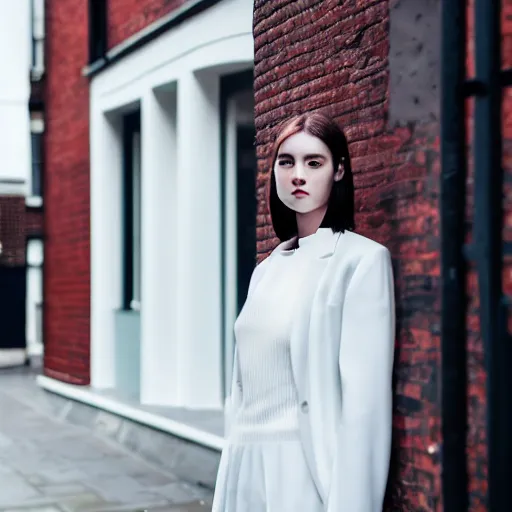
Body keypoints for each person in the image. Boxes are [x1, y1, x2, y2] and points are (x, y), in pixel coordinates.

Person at [212, 111, 395, 512]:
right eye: (286, 161)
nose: (298, 174)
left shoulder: (360, 262)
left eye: (314, 162)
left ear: (339, 171)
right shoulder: (265, 270)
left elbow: (365, 409)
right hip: (243, 465)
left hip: (302, 472)